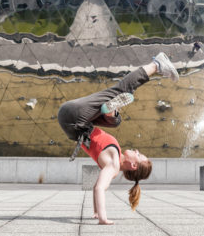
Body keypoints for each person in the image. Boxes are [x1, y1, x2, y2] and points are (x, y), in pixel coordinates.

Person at [57, 52, 179, 225]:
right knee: (116, 122)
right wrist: (95, 211)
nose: (137, 150)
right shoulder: (113, 159)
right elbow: (96, 188)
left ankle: (157, 65)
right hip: (78, 124)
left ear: (133, 165)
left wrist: (102, 218)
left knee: (122, 89)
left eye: (139, 154)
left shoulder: (113, 165)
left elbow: (99, 188)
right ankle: (111, 112)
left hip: (75, 118)